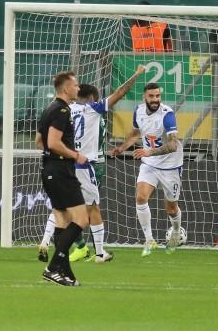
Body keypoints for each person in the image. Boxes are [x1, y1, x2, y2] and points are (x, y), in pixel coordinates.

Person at [38, 66, 147, 264]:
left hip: (63, 165)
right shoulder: (93, 109)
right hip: (83, 165)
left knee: (61, 209)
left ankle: (48, 243)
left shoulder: (61, 110)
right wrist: (137, 74)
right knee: (92, 209)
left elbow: (42, 140)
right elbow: (120, 93)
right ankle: (99, 253)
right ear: (91, 99)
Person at [109, 83, 184, 256]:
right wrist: (122, 147)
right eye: (151, 96)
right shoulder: (139, 111)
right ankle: (149, 240)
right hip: (149, 163)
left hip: (170, 166)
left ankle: (176, 231)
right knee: (141, 197)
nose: (155, 99)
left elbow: (173, 145)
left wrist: (149, 151)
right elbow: (136, 133)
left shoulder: (167, 115)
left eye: (158, 96)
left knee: (171, 209)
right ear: (145, 97)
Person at [35, 71, 89, 287]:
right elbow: (53, 142)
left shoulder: (49, 108)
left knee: (62, 221)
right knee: (81, 220)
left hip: (49, 168)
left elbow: (39, 141)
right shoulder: (62, 110)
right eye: (76, 85)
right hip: (61, 171)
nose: (78, 88)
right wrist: (75, 155)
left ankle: (65, 273)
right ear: (66, 88)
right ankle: (52, 268)